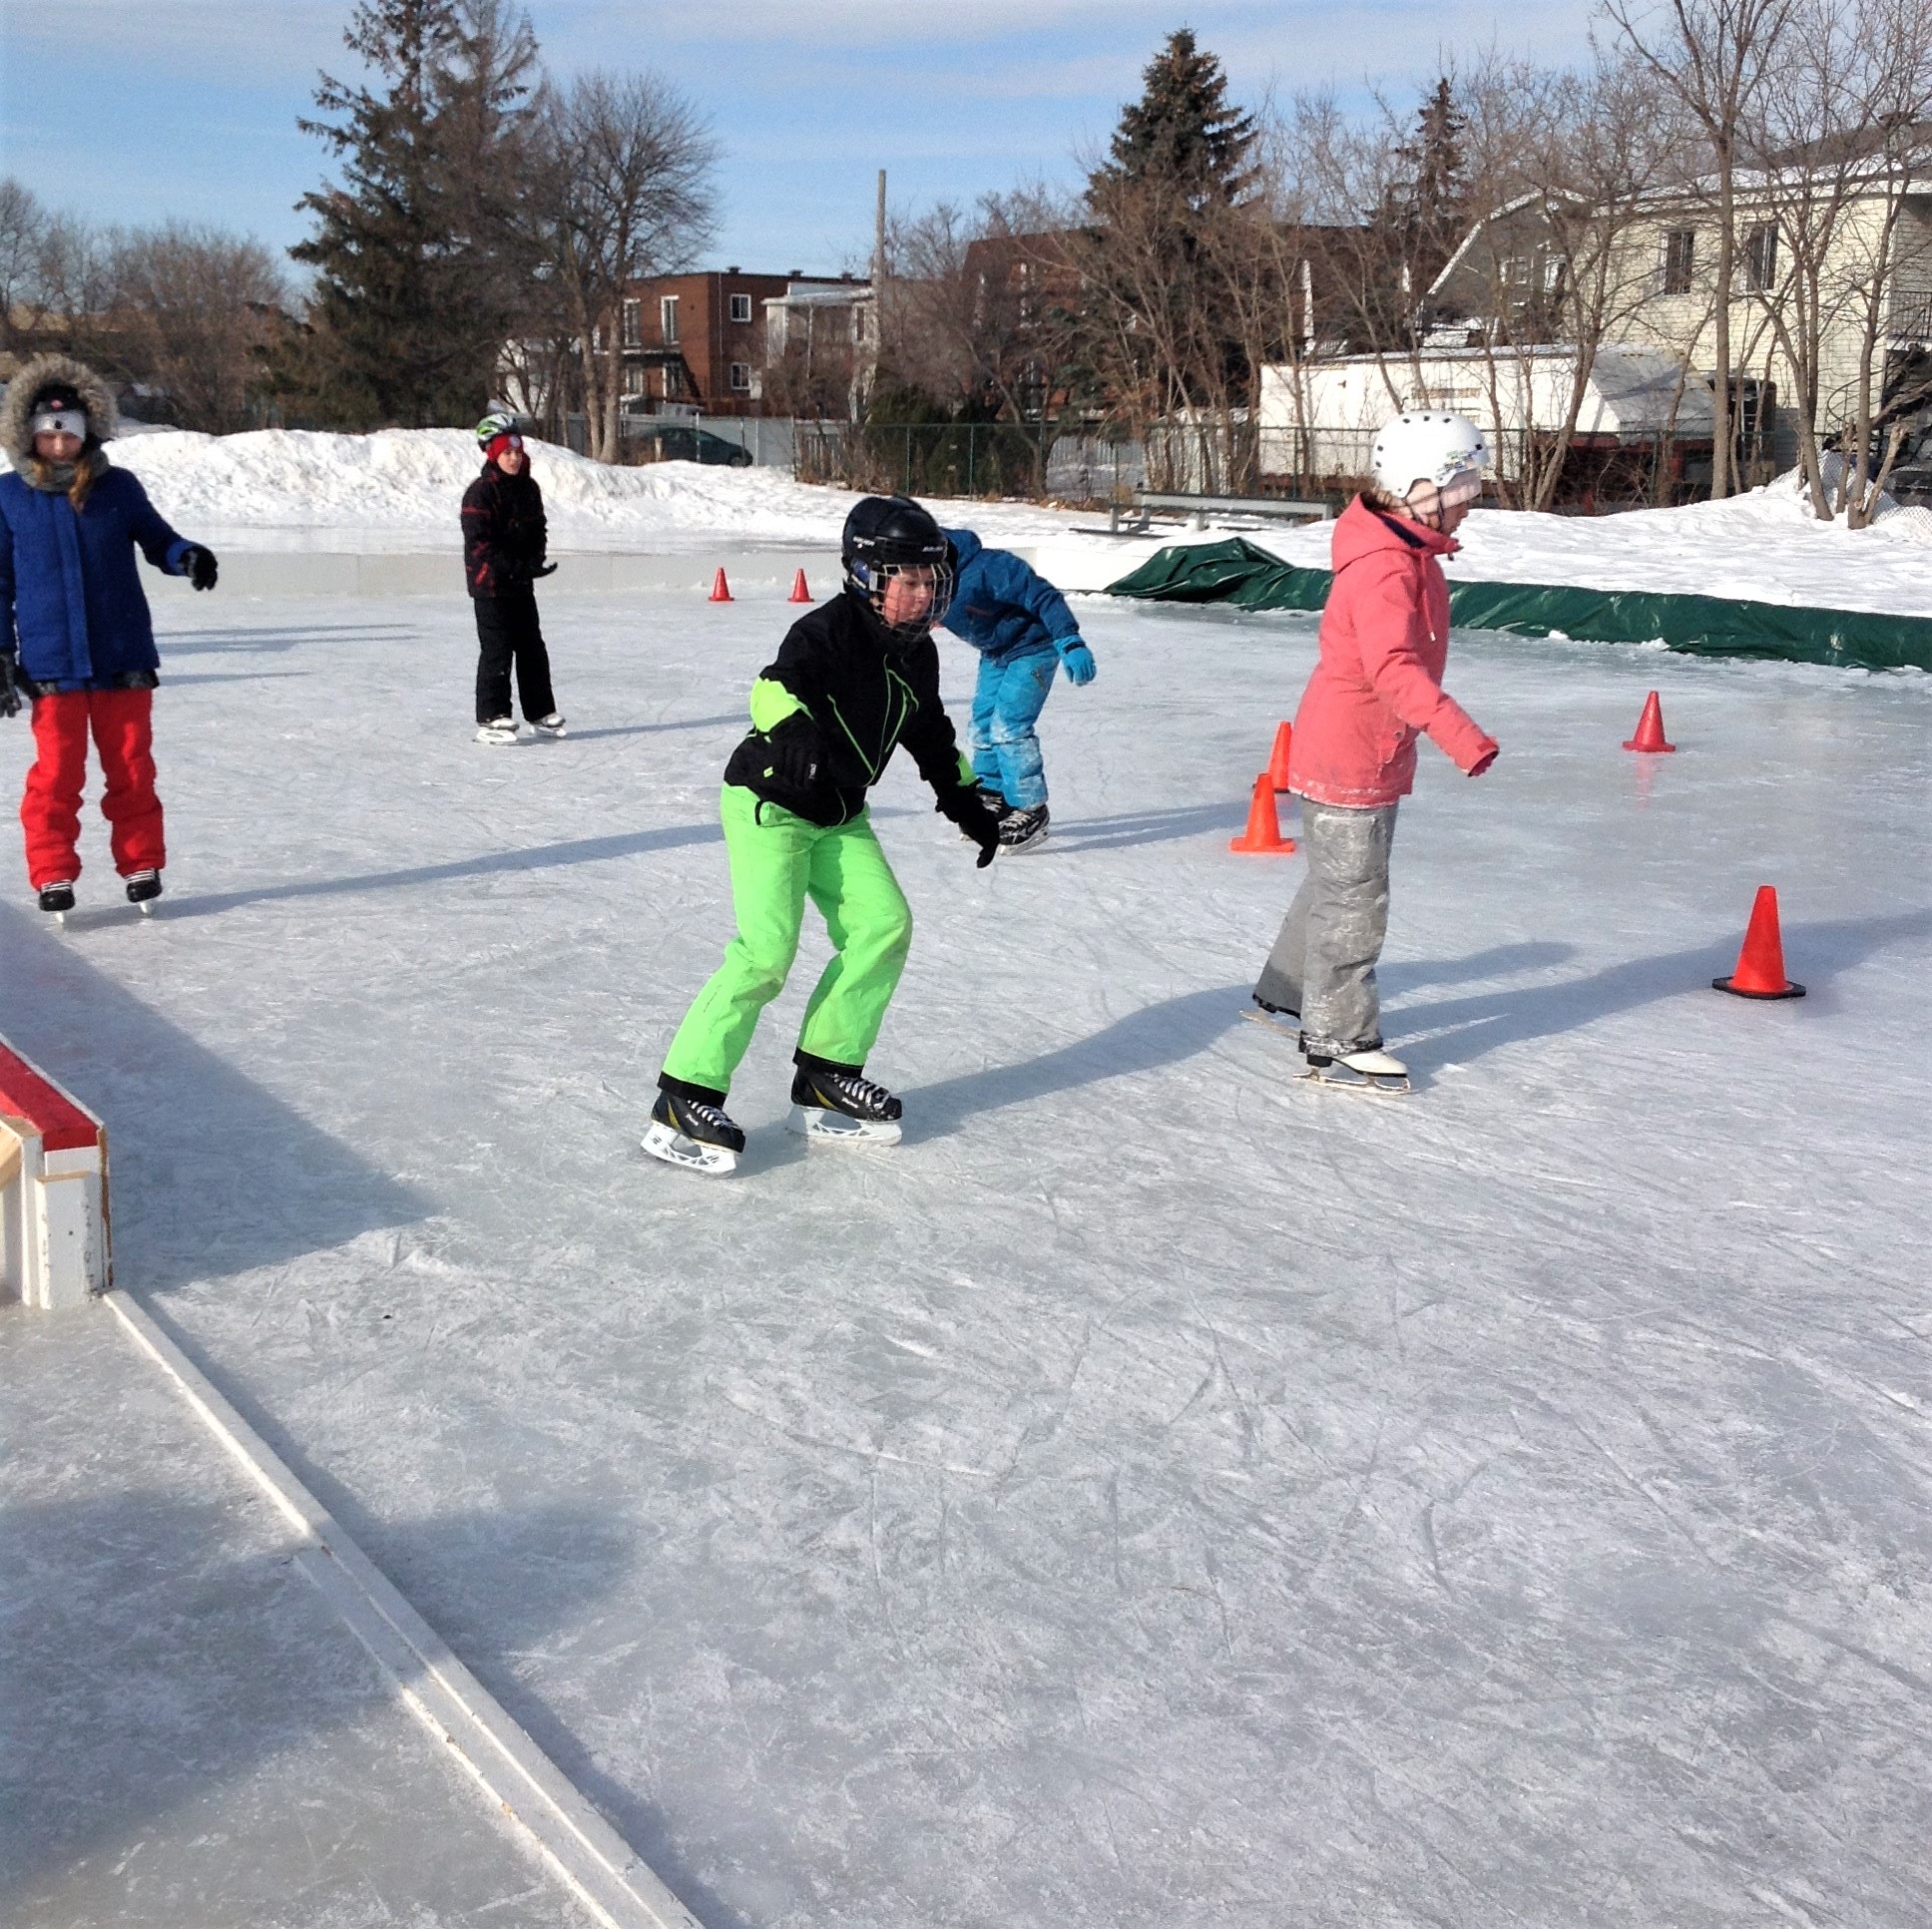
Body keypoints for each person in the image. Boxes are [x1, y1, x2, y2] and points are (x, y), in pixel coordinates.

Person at [644, 495, 1006, 1176]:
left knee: (884, 924)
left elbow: (930, 736)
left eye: (932, 580)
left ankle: (825, 1074)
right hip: (772, 804)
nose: (925, 593)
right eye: (911, 579)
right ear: (870, 577)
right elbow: (773, 689)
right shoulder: (826, 631)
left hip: (839, 813)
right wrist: (797, 733)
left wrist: (967, 801)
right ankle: (681, 1095)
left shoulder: (918, 655)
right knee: (766, 953)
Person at [1250, 412, 1499, 1088]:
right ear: (1422, 486)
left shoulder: (1403, 551)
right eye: (1464, 484)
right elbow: (1394, 671)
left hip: (1360, 746)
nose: (1473, 498)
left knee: (1338, 881)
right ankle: (1337, 1033)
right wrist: (1459, 733)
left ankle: (1287, 987)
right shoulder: (1388, 568)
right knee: (1356, 899)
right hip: (1353, 752)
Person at [0, 354, 218, 918]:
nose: (58, 442)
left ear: (87, 430)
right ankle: (52, 872)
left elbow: (157, 539)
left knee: (132, 766)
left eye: (69, 430)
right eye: (47, 432)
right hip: (52, 664)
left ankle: (141, 860)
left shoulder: (117, 487)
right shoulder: (8, 497)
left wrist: (186, 556)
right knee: (56, 775)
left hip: (122, 655)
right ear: (27, 434)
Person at [939, 526, 1096, 853]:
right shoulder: (928, 581)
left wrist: (1069, 639)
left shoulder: (989, 568)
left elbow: (1044, 596)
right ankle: (993, 796)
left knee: (1008, 727)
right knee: (981, 727)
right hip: (995, 652)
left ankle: (1031, 808)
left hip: (1034, 647)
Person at [462, 411, 563, 743]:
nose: (514, 458)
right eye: (507, 452)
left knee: (532, 648)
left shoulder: (527, 489)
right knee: (497, 650)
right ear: (492, 453)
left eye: (517, 452)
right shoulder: (480, 493)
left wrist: (534, 560)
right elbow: (480, 545)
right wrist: (514, 567)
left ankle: (540, 712)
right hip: (489, 586)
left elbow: (538, 529)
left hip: (519, 584)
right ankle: (492, 716)